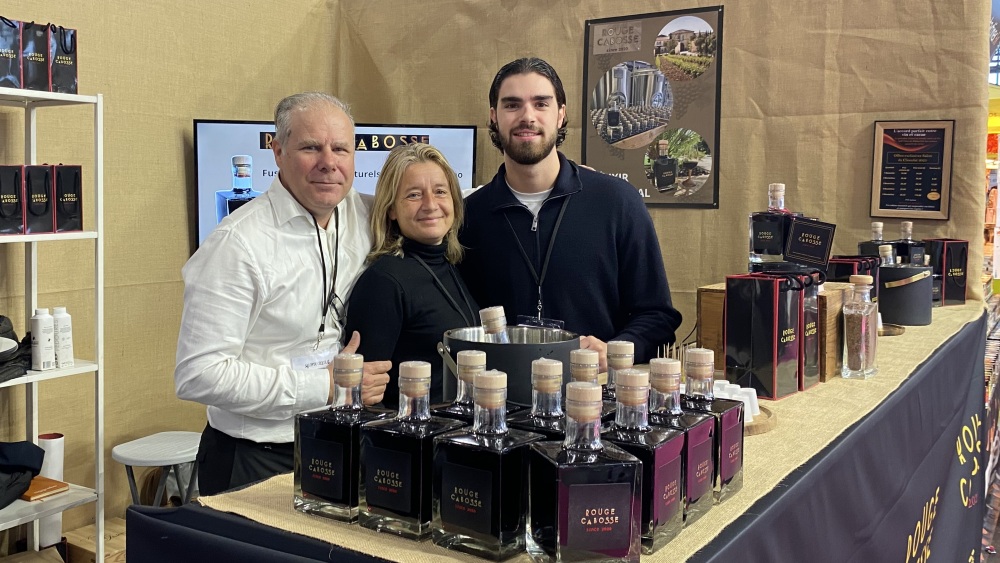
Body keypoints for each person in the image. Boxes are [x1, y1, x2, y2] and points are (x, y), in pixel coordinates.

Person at [175, 92, 391, 496]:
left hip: (340, 446)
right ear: (277, 152)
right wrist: (322, 386)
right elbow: (197, 375)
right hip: (253, 458)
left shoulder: (365, 215)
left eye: (341, 148)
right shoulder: (236, 245)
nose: (329, 162)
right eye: (311, 147)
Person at [459, 57, 682, 371]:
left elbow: (658, 317)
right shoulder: (469, 216)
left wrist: (616, 351)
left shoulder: (617, 202)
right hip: (499, 400)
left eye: (541, 104)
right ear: (494, 117)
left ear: (561, 115)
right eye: (512, 105)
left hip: (595, 398)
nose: (527, 116)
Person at [344, 143, 478, 408]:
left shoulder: (451, 264)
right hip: (415, 442)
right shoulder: (384, 282)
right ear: (391, 209)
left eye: (440, 192)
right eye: (414, 195)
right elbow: (365, 400)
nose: (431, 205)